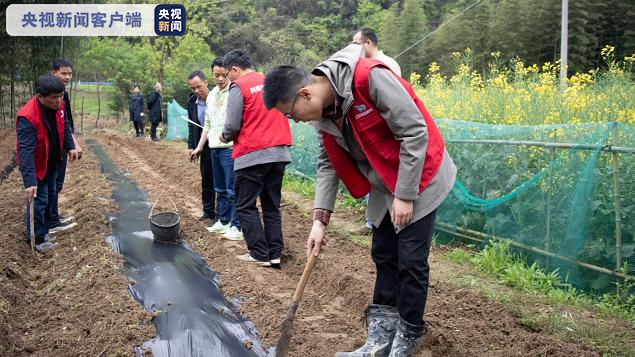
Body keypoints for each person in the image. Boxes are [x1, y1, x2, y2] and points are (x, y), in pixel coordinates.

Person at [263, 44, 457, 356]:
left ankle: (405, 342)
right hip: (384, 181)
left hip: (420, 173)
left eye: (290, 114)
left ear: (305, 94)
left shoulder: (369, 78)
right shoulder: (323, 116)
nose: (294, 121)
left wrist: (405, 196)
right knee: (384, 255)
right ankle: (379, 340)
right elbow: (328, 164)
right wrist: (319, 221)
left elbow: (415, 131)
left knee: (410, 260)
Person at [220, 49, 293, 266]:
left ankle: (259, 253)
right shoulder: (268, 80)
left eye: (227, 73)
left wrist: (224, 136)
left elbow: (232, 125)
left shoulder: (239, 86)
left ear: (234, 69)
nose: (226, 78)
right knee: (271, 205)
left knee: (245, 205)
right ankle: (275, 253)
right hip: (279, 152)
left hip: (252, 154)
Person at [16, 75, 79, 252]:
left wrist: (70, 146)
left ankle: (50, 225)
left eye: (61, 96)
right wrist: (29, 181)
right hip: (37, 165)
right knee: (39, 200)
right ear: (41, 96)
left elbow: (64, 125)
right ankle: (37, 239)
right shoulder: (27, 116)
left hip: (53, 160)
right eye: (54, 98)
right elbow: (25, 151)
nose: (59, 100)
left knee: (51, 193)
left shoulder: (59, 106)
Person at [351, 28, 402, 235]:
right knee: (374, 179)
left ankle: (387, 223)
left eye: (357, 44)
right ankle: (372, 222)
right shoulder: (360, 67)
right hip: (371, 136)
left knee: (386, 179)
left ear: (369, 43)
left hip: (387, 136)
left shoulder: (387, 65)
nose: (353, 48)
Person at [190, 59, 242, 240]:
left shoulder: (234, 92)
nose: (220, 78)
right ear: (211, 75)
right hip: (214, 147)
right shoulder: (211, 96)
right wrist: (199, 147)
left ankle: (237, 225)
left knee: (232, 188)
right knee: (219, 188)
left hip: (229, 148)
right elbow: (208, 124)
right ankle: (223, 220)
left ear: (229, 72)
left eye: (223, 74)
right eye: (216, 75)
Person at [49, 58, 82, 234]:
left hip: (63, 143)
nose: (68, 77)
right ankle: (51, 221)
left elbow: (66, 121)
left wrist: (72, 143)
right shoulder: (50, 94)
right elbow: (61, 122)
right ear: (54, 73)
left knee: (57, 183)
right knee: (52, 183)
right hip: (54, 146)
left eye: (70, 74)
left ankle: (54, 217)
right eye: (64, 73)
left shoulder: (63, 93)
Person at [185, 70, 218, 224]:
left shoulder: (218, 97)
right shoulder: (192, 102)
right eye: (193, 88)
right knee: (207, 180)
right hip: (202, 146)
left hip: (220, 144)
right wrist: (191, 146)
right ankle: (209, 212)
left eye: (198, 86)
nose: (196, 91)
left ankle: (224, 214)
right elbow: (191, 126)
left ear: (206, 82)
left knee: (223, 181)